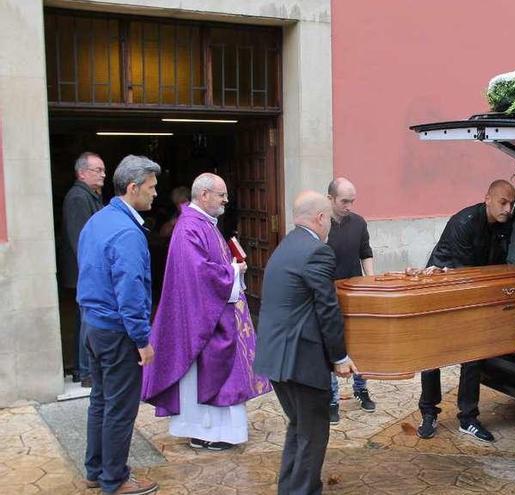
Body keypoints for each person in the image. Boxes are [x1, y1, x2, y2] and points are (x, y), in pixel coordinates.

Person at [141, 173, 272, 451]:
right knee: (210, 372)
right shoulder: (190, 227)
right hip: (202, 318)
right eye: (221, 194)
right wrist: (234, 272)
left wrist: (233, 270)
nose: (226, 199)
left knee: (210, 374)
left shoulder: (204, 223)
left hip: (212, 313)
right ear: (203, 195)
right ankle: (213, 432)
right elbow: (198, 273)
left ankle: (206, 431)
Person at [254, 190, 359, 495]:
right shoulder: (317, 251)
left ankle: (290, 489)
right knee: (312, 434)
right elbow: (327, 307)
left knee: (300, 427)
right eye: (329, 218)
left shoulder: (287, 245)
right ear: (321, 217)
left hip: (277, 357)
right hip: (301, 359)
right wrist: (340, 358)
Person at [77, 155, 161, 495]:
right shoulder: (127, 232)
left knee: (101, 400)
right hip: (117, 331)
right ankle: (115, 478)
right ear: (133, 187)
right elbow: (130, 291)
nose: (156, 194)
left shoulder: (98, 221)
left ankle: (95, 470)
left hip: (93, 326)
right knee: (120, 407)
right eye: (152, 188)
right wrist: (142, 339)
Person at [417, 179, 515, 443]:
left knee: (473, 355)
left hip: (475, 290)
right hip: (443, 290)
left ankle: (468, 418)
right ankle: (428, 413)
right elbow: (465, 272)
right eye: (502, 202)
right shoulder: (464, 222)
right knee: (433, 354)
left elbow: (502, 264)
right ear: (487, 198)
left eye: (511, 203)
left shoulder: (506, 225)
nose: (507, 208)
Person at [326, 177, 376, 422]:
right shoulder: (321, 226)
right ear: (330, 199)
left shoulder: (359, 223)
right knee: (331, 344)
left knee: (360, 343)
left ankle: (361, 389)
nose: (349, 206)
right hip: (329, 294)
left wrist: (372, 283)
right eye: (344, 201)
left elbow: (365, 252)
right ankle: (332, 399)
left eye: (352, 201)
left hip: (356, 292)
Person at [61, 151, 105, 388]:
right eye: (97, 170)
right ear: (81, 173)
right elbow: (81, 240)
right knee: (88, 320)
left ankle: (84, 369)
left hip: (88, 271)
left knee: (85, 319)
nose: (103, 175)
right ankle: (85, 370)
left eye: (103, 170)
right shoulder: (78, 197)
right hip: (85, 272)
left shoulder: (92, 196)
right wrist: (94, 272)